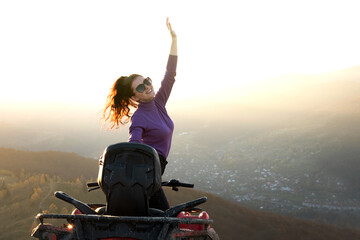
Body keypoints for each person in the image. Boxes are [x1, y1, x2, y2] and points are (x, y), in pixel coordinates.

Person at [103, 18, 177, 211]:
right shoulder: (139, 117)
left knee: (154, 218)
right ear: (134, 96)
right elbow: (133, 142)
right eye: (142, 87)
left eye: (148, 81)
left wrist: (174, 40)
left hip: (153, 169)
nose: (148, 87)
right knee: (163, 220)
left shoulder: (159, 102)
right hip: (146, 170)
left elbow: (170, 75)